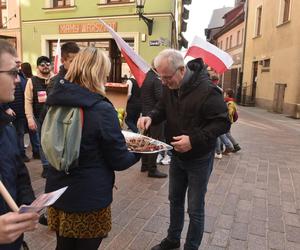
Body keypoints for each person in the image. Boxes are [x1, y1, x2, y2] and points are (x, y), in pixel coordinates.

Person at [44, 47, 140, 250]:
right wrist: (139, 151)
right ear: (97, 73)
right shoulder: (102, 109)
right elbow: (119, 160)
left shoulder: (56, 101)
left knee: (63, 247)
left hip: (57, 191)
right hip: (88, 198)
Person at [137, 49, 230, 250]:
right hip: (176, 156)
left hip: (198, 158)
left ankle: (191, 246)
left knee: (195, 209)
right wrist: (150, 116)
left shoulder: (208, 90)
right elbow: (162, 108)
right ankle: (173, 239)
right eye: (160, 77)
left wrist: (193, 140)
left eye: (166, 77)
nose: (163, 82)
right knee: (175, 200)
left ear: (181, 70)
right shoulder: (171, 85)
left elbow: (222, 124)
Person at [0, 39, 38, 249]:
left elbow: (18, 171)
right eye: (13, 72)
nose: (18, 80)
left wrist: (27, 203)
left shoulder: (6, 125)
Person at [24, 56, 53, 178]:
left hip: (55, 118)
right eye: (42, 64)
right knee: (42, 143)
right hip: (39, 117)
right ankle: (46, 166)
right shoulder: (31, 81)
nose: (45, 66)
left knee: (55, 142)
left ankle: (55, 165)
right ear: (38, 67)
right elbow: (28, 101)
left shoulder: (56, 79)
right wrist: (30, 118)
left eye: (47, 63)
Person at [140, 65, 167, 178]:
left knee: (146, 141)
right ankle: (152, 169)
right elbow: (160, 98)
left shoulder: (146, 77)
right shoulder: (156, 80)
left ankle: (144, 165)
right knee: (154, 141)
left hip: (146, 113)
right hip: (154, 116)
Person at [20, 62, 40, 160]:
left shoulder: (25, 79)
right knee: (34, 133)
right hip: (31, 110)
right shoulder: (32, 79)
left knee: (22, 134)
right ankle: (36, 151)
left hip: (21, 109)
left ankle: (24, 153)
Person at [224, 88, 241, 152]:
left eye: (225, 94)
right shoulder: (228, 101)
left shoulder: (230, 103)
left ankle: (235, 146)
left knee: (227, 134)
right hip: (228, 121)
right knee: (227, 134)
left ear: (228, 95)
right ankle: (232, 146)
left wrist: (225, 114)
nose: (224, 95)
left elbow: (230, 112)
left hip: (227, 121)